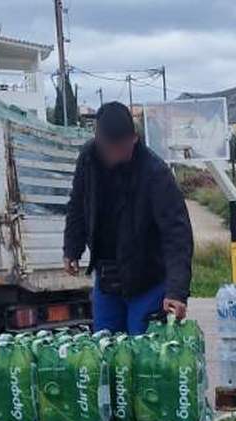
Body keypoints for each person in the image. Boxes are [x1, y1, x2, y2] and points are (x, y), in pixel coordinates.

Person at [64, 102, 193, 334]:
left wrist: (176, 291)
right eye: (112, 148)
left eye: (124, 147)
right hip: (107, 279)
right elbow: (77, 206)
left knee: (142, 357)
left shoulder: (155, 173)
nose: (119, 154)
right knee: (106, 352)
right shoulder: (88, 160)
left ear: (134, 138)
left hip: (147, 281)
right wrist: (72, 248)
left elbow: (177, 234)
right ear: (99, 140)